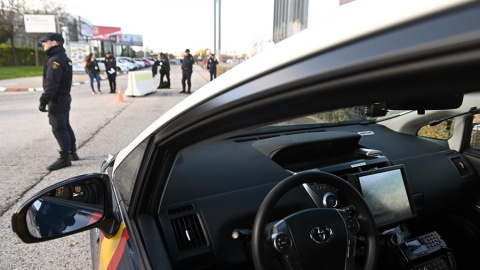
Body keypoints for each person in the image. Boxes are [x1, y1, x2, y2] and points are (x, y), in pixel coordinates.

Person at [38, 32, 79, 171]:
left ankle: (65, 158)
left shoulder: (55, 60)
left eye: (45, 42)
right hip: (64, 97)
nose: (43, 44)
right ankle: (72, 152)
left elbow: (52, 85)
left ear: (54, 42)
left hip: (57, 99)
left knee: (58, 128)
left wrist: (43, 100)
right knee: (65, 125)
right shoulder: (64, 58)